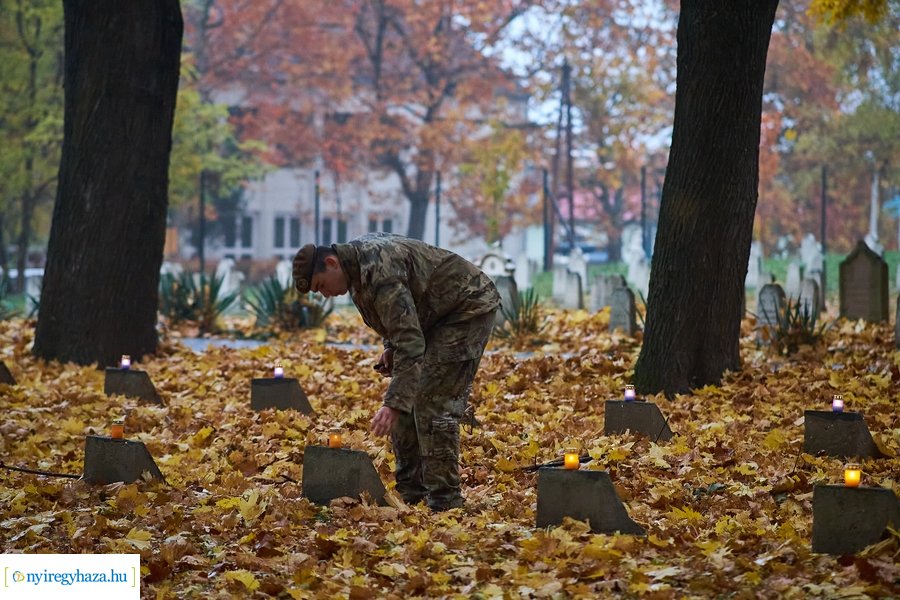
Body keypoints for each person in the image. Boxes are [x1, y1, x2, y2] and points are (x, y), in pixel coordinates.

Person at [292, 233, 500, 511]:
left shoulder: (378, 270)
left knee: (431, 402)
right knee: (408, 400)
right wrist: (390, 346)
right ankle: (411, 494)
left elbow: (411, 344)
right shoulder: (356, 274)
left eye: (321, 286)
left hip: (466, 308)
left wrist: (392, 404)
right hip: (435, 315)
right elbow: (397, 318)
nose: (325, 294)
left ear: (331, 263)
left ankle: (445, 503)